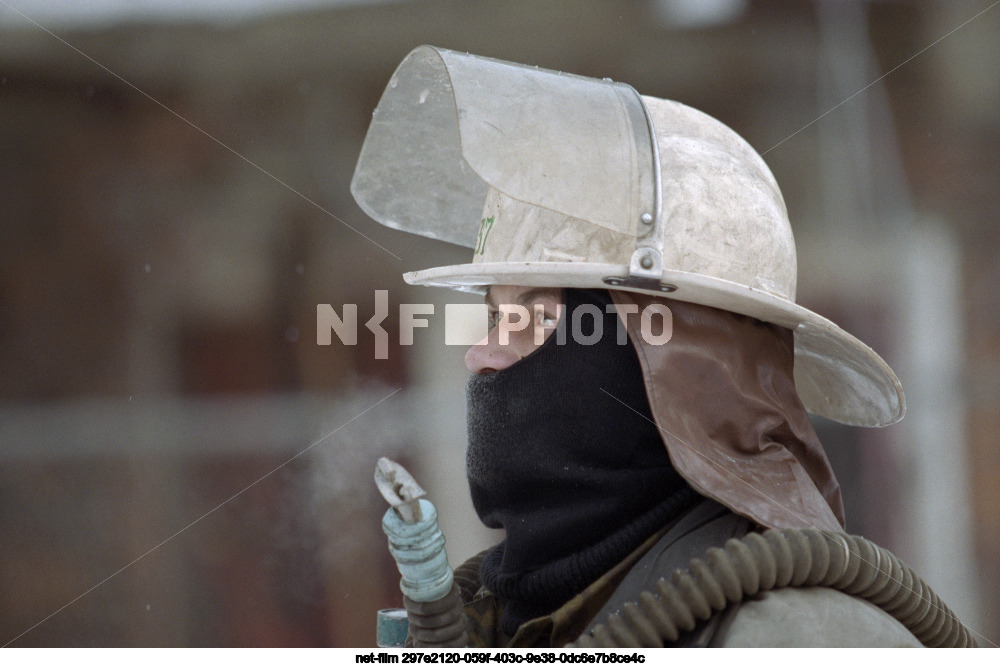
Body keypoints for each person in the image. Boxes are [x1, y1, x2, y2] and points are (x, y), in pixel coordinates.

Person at [352, 46, 974, 647]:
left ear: (676, 363)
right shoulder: (517, 619)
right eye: (492, 317)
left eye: (536, 316)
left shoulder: (797, 636)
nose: (480, 354)